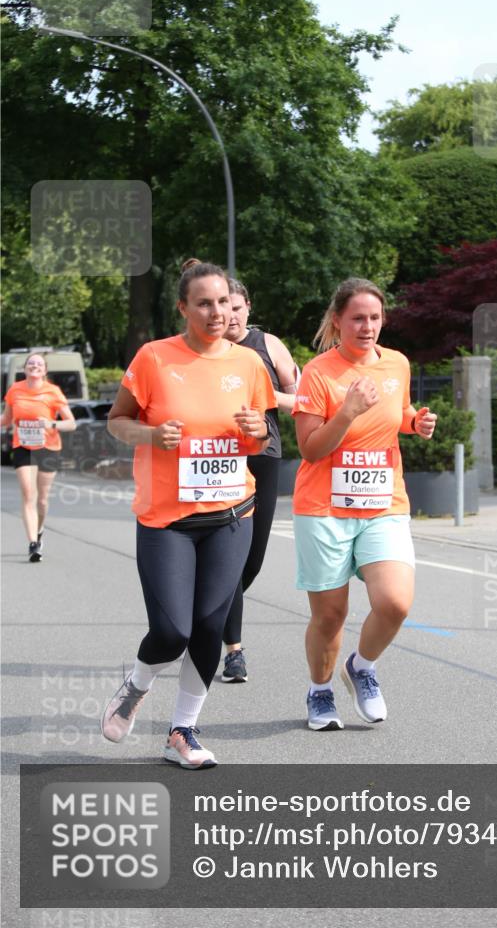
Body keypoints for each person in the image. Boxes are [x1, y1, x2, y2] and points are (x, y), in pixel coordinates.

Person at [101, 259, 276, 768]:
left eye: (223, 301)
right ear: (183, 308)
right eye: (203, 303)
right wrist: (151, 435)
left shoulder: (247, 364)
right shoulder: (155, 359)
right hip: (167, 520)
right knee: (173, 630)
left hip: (231, 514)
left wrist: (258, 430)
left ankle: (183, 732)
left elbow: (261, 431)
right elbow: (117, 422)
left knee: (208, 625)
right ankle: (136, 686)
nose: (216, 311)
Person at [292, 278, 437, 731]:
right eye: (357, 317)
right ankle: (320, 692)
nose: (367, 326)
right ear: (338, 321)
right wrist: (348, 410)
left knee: (395, 602)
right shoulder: (318, 373)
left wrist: (416, 422)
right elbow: (312, 449)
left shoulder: (397, 364)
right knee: (330, 615)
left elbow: (398, 414)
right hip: (324, 509)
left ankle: (362, 666)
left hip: (383, 503)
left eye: (374, 318)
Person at [219, 278, 299, 682]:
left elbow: (302, 400)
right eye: (222, 307)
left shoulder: (267, 345)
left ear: (248, 307)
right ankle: (234, 650)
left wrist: (263, 395)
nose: (229, 315)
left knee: (252, 560)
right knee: (229, 559)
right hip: (220, 461)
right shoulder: (208, 350)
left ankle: (209, 612)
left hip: (263, 458)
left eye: (236, 307)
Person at [1, 352, 76, 562]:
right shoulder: (15, 390)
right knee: (28, 494)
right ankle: (33, 544)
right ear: (25, 369)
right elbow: (7, 419)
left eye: (39, 364)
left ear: (44, 370)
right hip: (23, 446)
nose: (34, 366)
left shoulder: (53, 392)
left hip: (48, 447)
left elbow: (71, 423)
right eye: (31, 363)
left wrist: (50, 424)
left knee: (42, 499)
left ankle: (40, 529)